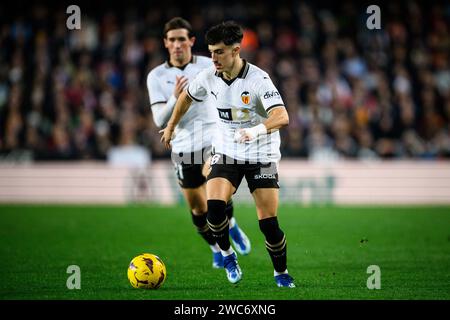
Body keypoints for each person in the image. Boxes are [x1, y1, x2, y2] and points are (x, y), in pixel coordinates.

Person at [161, 21, 295, 288]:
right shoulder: (209, 76)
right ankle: (228, 255)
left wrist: (256, 130)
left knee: (269, 225)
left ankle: (280, 273)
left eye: (220, 52)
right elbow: (186, 97)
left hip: (261, 154)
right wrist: (171, 126)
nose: (214, 58)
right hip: (227, 151)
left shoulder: (258, 79)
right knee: (215, 209)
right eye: (211, 52)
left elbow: (282, 116)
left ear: (236, 50)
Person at [147, 18, 251, 269]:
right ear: (165, 43)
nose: (177, 44)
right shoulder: (157, 76)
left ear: (191, 41)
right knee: (198, 209)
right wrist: (175, 98)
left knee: (216, 187)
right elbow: (160, 119)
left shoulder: (208, 64)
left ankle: (232, 226)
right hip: (182, 146)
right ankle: (216, 248)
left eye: (182, 38)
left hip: (212, 138)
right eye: (171, 39)